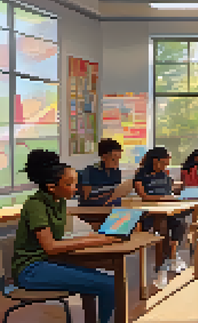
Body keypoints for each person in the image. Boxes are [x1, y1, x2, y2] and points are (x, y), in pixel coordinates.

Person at [12, 150, 119, 323]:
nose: (76, 188)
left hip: (48, 263)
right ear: (52, 187)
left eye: (76, 182)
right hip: (31, 270)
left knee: (106, 280)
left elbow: (57, 242)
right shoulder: (35, 205)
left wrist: (97, 238)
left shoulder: (59, 201)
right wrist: (98, 240)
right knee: (111, 285)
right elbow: (51, 247)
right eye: (70, 184)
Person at [134, 147, 187, 284]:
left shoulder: (164, 175)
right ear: (154, 161)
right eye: (163, 163)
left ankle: (172, 254)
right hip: (149, 212)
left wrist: (174, 195)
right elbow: (144, 196)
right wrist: (164, 198)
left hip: (166, 209)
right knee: (162, 226)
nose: (165, 166)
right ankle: (161, 264)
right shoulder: (141, 174)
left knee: (180, 223)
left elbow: (170, 191)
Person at [78, 138, 131, 208]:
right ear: (104, 157)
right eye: (113, 159)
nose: (116, 162)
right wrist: (109, 196)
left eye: (118, 158)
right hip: (95, 210)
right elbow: (86, 198)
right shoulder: (89, 172)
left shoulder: (116, 172)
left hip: (113, 209)